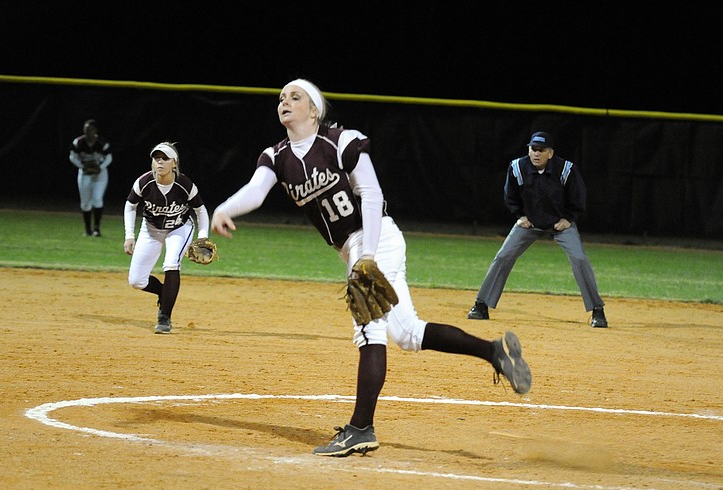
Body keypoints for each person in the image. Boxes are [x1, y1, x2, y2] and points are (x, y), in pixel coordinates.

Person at [210, 79, 532, 458]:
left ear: (313, 111)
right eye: (282, 97)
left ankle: (361, 427)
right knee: (408, 333)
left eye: (295, 97)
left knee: (369, 330)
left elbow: (372, 193)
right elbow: (255, 190)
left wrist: (369, 256)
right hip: (352, 249)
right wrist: (224, 208)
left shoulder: (340, 141)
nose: (285, 101)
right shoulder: (276, 156)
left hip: (375, 238)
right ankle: (493, 352)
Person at [467, 131, 608, 328]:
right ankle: (481, 305)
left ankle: (597, 310)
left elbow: (578, 197)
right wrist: (520, 215)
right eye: (533, 149)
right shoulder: (517, 167)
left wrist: (568, 218)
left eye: (541, 150)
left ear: (550, 153)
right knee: (503, 255)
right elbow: (510, 195)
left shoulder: (566, 169)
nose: (536, 153)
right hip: (530, 224)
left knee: (579, 258)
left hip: (560, 224)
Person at [124, 142, 211, 334]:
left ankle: (164, 318)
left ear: (174, 163)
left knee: (171, 263)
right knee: (136, 281)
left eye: (165, 158)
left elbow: (201, 211)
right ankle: (166, 293)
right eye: (156, 158)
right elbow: (130, 205)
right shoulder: (144, 182)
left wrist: (202, 236)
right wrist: (129, 235)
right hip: (151, 229)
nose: (160, 162)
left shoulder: (184, 184)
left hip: (179, 228)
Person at [69, 119, 112, 237]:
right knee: (85, 202)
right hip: (84, 173)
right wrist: (82, 166)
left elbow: (109, 158)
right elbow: (72, 157)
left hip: (100, 173)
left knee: (97, 198)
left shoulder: (101, 142)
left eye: (90, 129)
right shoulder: (79, 142)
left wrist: (100, 168)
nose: (88, 131)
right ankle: (88, 229)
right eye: (86, 129)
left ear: (95, 130)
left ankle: (97, 228)